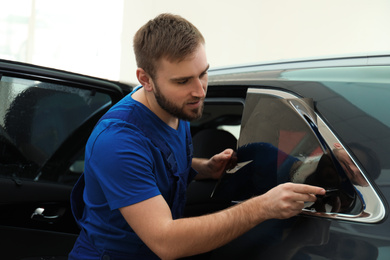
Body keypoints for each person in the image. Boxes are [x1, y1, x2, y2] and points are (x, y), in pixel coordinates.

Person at [68, 13, 325, 260]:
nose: (200, 91)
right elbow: (166, 242)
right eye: (183, 81)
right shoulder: (118, 143)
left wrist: (204, 168)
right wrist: (262, 207)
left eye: (203, 73)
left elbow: (154, 161)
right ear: (146, 79)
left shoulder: (172, 104)